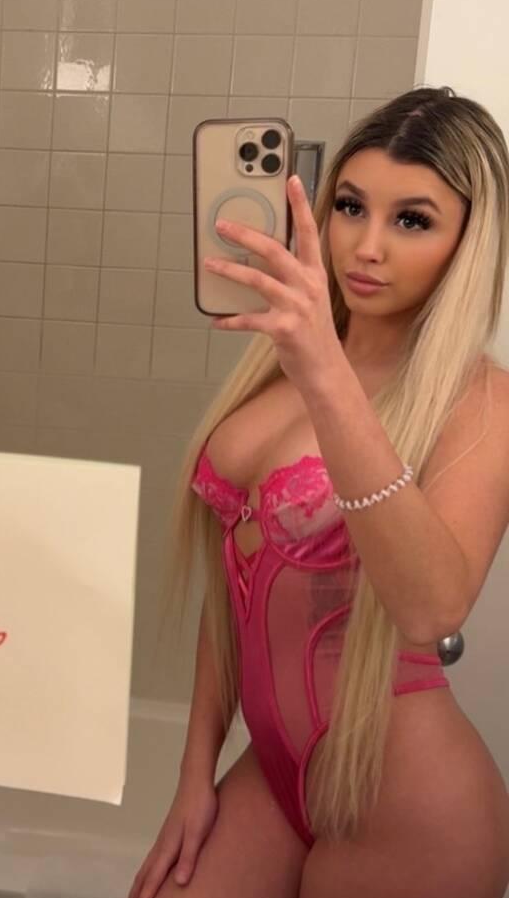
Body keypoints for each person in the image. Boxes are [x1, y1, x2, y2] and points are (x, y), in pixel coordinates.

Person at [129, 86, 509, 898]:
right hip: (273, 774)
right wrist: (194, 774)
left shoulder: (480, 402)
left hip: (407, 807)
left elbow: (433, 607)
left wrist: (327, 373)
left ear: (468, 242)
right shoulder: (282, 361)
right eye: (350, 206)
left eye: (412, 220)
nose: (366, 247)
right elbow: (230, 594)